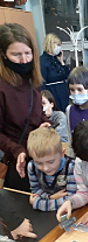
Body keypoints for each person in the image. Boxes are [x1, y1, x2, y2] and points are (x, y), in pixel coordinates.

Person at [0, 23, 50, 192]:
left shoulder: (31, 78)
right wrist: (16, 150)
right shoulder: (2, 87)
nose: (24, 60)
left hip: (40, 157)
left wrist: (45, 123)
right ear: (3, 55)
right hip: (18, 162)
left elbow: (36, 112)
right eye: (16, 55)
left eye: (28, 53)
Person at [27, 127, 76, 211]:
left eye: (50, 162)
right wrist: (50, 197)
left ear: (62, 154)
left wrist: (39, 204)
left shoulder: (71, 167)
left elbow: (71, 198)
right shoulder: (31, 166)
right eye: (39, 163)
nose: (45, 168)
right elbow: (35, 190)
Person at [40, 33, 69, 112]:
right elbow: (41, 83)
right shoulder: (42, 61)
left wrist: (62, 61)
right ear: (50, 44)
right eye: (58, 45)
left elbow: (67, 75)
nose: (59, 47)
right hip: (54, 93)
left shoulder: (57, 59)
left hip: (63, 93)